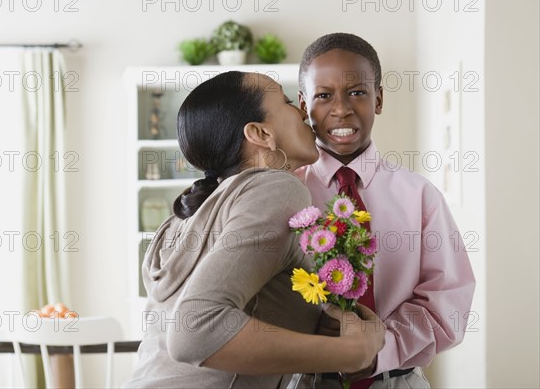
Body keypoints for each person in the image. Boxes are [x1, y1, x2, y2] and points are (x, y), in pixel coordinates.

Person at [124, 71, 386, 388]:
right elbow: (193, 332)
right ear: (260, 134)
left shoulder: (188, 215)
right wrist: (349, 352)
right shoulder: (275, 186)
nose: (304, 111)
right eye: (288, 102)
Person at [295, 33, 476, 387]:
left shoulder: (420, 196)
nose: (341, 108)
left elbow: (447, 303)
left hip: (396, 379)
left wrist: (377, 350)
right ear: (304, 106)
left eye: (357, 92)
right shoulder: (285, 193)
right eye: (323, 95)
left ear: (378, 99)